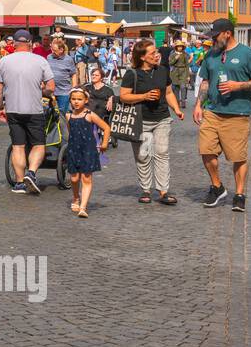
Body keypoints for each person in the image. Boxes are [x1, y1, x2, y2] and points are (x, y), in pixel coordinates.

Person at [194, 17, 251, 212]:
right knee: (206, 150)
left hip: (237, 112)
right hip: (212, 111)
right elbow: (205, 82)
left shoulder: (247, 54)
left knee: (238, 157)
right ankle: (217, 187)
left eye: (216, 36)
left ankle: (240, 194)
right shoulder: (211, 54)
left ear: (228, 33)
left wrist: (239, 86)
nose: (213, 40)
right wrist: (198, 105)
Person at [120, 39, 183, 206]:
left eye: (156, 52)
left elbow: (168, 92)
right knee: (143, 155)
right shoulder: (132, 74)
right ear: (142, 57)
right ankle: (146, 189)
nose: (157, 55)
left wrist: (176, 109)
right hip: (141, 120)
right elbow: (124, 96)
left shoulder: (162, 70)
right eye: (153, 53)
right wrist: (144, 96)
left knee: (162, 153)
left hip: (162, 118)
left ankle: (163, 191)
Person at [0, 30, 56, 195]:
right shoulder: (40, 60)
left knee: (18, 146)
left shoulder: (4, 61)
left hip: (13, 109)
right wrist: (42, 91)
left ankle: (20, 183)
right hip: (34, 109)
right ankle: (32, 172)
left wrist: (0, 108)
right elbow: (51, 87)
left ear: (13, 43)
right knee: (38, 145)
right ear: (30, 43)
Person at [64, 87, 111, 218]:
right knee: (74, 178)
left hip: (88, 150)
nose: (76, 102)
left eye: (79, 99)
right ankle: (75, 198)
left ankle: (83, 207)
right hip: (73, 149)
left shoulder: (89, 115)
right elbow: (70, 131)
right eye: (73, 99)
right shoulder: (68, 115)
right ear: (70, 100)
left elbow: (106, 127)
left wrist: (105, 143)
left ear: (85, 100)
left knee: (86, 178)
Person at [83, 65, 118, 148]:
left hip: (101, 110)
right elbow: (78, 91)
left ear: (101, 78)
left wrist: (111, 98)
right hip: (89, 109)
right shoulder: (87, 86)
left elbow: (113, 97)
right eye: (93, 75)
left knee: (98, 112)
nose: (94, 76)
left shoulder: (107, 89)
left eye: (96, 75)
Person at [47, 36, 77, 112]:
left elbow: (73, 74)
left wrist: (74, 88)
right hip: (51, 91)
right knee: (50, 112)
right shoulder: (49, 57)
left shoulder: (68, 59)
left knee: (62, 114)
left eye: (54, 50)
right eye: (52, 49)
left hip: (64, 92)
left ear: (61, 50)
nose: (52, 52)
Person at [168, 40, 192, 105]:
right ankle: (177, 101)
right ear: (176, 47)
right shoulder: (173, 54)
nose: (180, 48)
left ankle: (183, 101)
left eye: (181, 47)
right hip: (175, 71)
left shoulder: (184, 54)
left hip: (183, 71)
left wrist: (188, 75)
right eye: (178, 47)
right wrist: (175, 58)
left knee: (183, 86)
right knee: (176, 87)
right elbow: (170, 63)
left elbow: (187, 65)